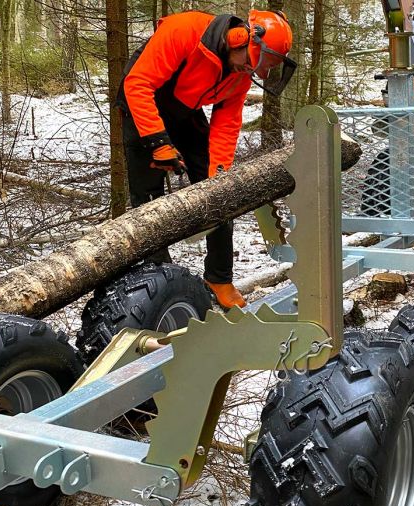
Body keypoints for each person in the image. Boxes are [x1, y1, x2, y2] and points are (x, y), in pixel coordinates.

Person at [117, 9, 296, 309]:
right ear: (242, 40)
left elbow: (226, 125)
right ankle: (160, 283)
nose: (256, 72)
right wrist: (158, 142)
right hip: (143, 104)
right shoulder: (184, 30)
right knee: (149, 202)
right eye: (260, 63)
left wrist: (219, 173)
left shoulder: (240, 73)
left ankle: (219, 277)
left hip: (185, 109)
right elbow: (137, 84)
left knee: (222, 191)